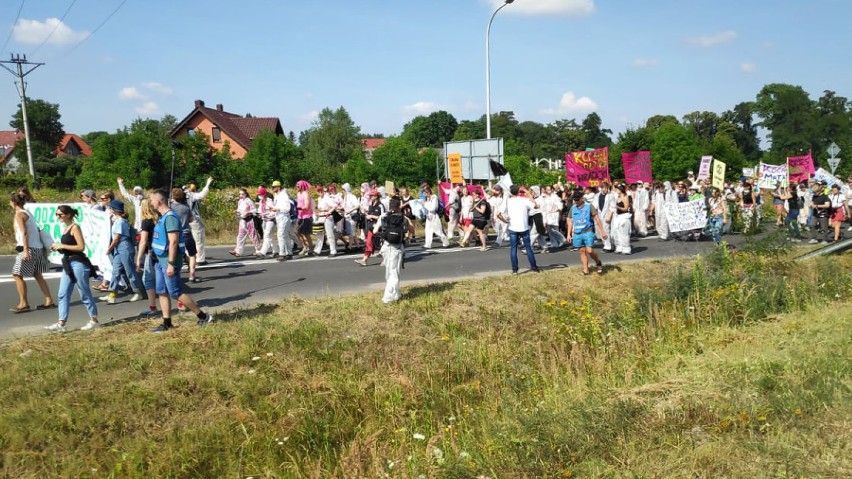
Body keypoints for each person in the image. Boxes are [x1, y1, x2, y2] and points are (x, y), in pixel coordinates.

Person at [148, 189, 213, 332]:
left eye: (151, 199)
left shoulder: (170, 218)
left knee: (175, 292)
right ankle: (167, 323)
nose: (150, 202)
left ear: (159, 201)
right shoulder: (162, 216)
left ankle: (203, 316)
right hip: (159, 260)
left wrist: (171, 264)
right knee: (161, 291)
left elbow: (173, 242)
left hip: (168, 262)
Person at [45, 205, 99, 332]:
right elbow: (69, 247)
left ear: (68, 215)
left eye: (60, 214)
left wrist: (62, 245)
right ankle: (61, 323)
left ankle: (94, 319)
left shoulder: (75, 227)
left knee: (84, 292)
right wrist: (59, 248)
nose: (58, 217)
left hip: (78, 263)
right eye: (57, 214)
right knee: (62, 293)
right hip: (68, 263)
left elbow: (81, 247)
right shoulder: (65, 228)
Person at [9, 191, 55, 313]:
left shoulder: (19, 215)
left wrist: (25, 251)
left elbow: (24, 233)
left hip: (29, 248)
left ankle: (24, 304)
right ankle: (49, 300)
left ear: (13, 202)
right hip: (38, 247)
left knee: (17, 275)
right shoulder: (27, 212)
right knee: (37, 274)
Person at [102, 200, 144, 304]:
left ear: (115, 210)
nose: (109, 210)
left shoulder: (121, 222)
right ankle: (112, 294)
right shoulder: (117, 220)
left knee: (130, 271)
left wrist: (109, 249)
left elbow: (116, 238)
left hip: (124, 247)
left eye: (110, 208)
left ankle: (137, 291)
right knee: (115, 272)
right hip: (118, 248)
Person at [497, 185, 540, 275]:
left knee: (513, 249)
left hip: (513, 227)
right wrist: (529, 195)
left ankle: (515, 270)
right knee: (528, 248)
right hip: (524, 227)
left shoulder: (508, 201)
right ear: (518, 192)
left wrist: (505, 220)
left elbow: (498, 214)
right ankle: (534, 267)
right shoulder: (524, 200)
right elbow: (536, 206)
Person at [379, 198, 414, 304]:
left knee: (389, 272)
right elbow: (412, 229)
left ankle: (396, 294)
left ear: (390, 207)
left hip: (385, 246)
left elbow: (376, 230)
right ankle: (388, 297)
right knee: (395, 273)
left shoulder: (384, 217)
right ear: (399, 207)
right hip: (397, 247)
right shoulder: (404, 218)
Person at [566, 190, 607, 275]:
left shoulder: (589, 206)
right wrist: (568, 234)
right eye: (574, 200)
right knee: (582, 251)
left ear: (582, 198)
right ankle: (586, 270)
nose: (576, 201)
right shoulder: (573, 208)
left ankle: (598, 262)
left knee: (590, 250)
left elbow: (596, 218)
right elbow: (569, 220)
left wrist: (602, 231)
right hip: (577, 233)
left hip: (587, 231)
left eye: (577, 199)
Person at [135, 199, 161, 318]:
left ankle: (153, 307)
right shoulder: (159, 218)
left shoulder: (146, 222)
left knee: (148, 279)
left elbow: (143, 241)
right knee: (163, 278)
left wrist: (139, 258)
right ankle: (181, 303)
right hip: (161, 251)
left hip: (151, 253)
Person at [170, 187, 199, 282]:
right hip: (186, 233)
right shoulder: (186, 207)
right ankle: (192, 275)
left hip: (174, 234)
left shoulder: (170, 207)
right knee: (192, 254)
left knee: (174, 252)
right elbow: (191, 220)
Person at [185, 177, 213, 264]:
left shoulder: (182, 194)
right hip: (194, 219)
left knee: (187, 239)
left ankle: (188, 257)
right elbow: (202, 195)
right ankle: (200, 259)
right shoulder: (191, 195)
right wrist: (207, 184)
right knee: (199, 239)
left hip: (184, 220)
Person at [354, 190, 384, 266]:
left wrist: (372, 216)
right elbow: (369, 215)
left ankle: (385, 259)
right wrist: (367, 214)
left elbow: (383, 217)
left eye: (372, 196)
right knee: (369, 243)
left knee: (380, 244)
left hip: (379, 228)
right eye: (370, 196)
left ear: (376, 196)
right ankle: (364, 260)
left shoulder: (380, 205)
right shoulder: (371, 206)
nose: (370, 197)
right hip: (371, 228)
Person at [229, 188, 261, 257]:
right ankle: (238, 251)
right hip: (242, 220)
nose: (241, 195)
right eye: (240, 194)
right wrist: (236, 212)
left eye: (242, 194)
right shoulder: (240, 201)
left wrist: (248, 213)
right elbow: (239, 209)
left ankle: (258, 250)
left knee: (253, 236)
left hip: (249, 220)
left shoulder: (249, 201)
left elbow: (254, 210)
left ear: (246, 194)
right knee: (240, 236)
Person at [313, 185, 340, 257]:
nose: (320, 192)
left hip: (328, 217)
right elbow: (320, 208)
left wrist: (329, 212)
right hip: (321, 217)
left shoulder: (327, 198)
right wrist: (317, 212)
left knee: (329, 234)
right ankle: (317, 250)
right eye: (318, 191)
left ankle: (333, 251)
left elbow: (334, 206)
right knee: (320, 234)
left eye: (321, 190)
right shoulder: (319, 198)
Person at [270, 181, 294, 260]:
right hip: (279, 216)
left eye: (274, 187)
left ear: (278, 187)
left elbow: (287, 208)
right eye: (272, 187)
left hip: (284, 216)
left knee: (280, 235)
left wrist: (277, 209)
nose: (272, 188)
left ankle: (282, 253)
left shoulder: (284, 195)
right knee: (285, 235)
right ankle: (289, 253)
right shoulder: (276, 195)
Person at [595, 181, 618, 251]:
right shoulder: (597, 196)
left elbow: (613, 206)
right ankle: (606, 244)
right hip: (599, 215)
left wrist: (609, 215)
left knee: (607, 230)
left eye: (606, 188)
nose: (605, 189)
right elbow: (594, 205)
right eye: (603, 188)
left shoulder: (611, 196)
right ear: (601, 188)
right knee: (601, 230)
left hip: (608, 215)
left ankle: (608, 246)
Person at [257, 187, 280, 258]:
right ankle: (276, 251)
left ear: (264, 195)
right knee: (270, 236)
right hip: (264, 220)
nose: (259, 196)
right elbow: (260, 210)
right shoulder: (261, 202)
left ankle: (263, 252)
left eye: (260, 194)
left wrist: (268, 215)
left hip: (271, 220)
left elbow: (273, 211)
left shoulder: (269, 201)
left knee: (267, 235)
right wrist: (259, 214)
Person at [611, 184, 633, 254]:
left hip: (624, 217)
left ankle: (626, 248)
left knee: (624, 233)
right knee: (618, 233)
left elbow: (626, 208)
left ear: (621, 189)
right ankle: (620, 247)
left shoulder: (625, 197)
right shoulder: (617, 197)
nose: (616, 190)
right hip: (618, 216)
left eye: (617, 188)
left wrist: (618, 207)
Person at [295, 180, 315, 256]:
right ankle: (304, 246)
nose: (297, 187)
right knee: (297, 232)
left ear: (302, 186)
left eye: (298, 185)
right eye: (296, 186)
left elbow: (306, 206)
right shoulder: (298, 194)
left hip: (306, 216)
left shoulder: (306, 194)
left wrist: (298, 208)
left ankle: (311, 248)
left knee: (306, 233)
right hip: (300, 216)